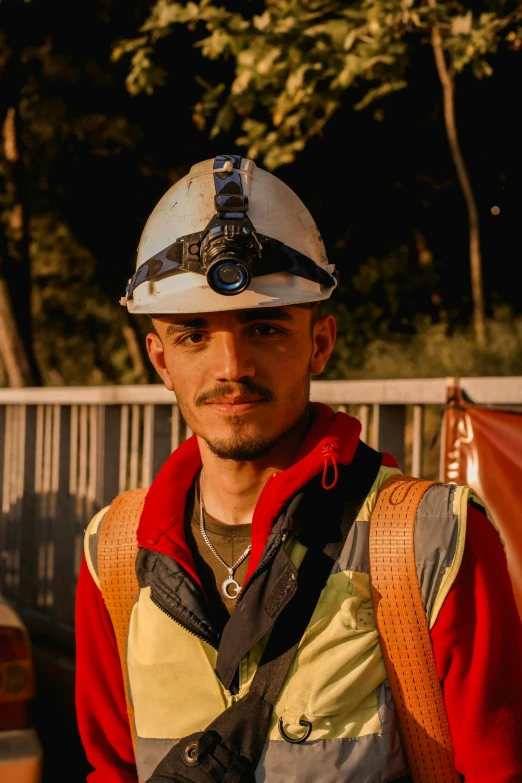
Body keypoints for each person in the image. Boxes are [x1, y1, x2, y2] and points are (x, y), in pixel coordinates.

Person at [75, 154, 522, 783]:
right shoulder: (115, 553)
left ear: (320, 343)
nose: (231, 366)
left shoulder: (430, 541)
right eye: (193, 335)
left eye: (264, 328)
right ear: (159, 359)